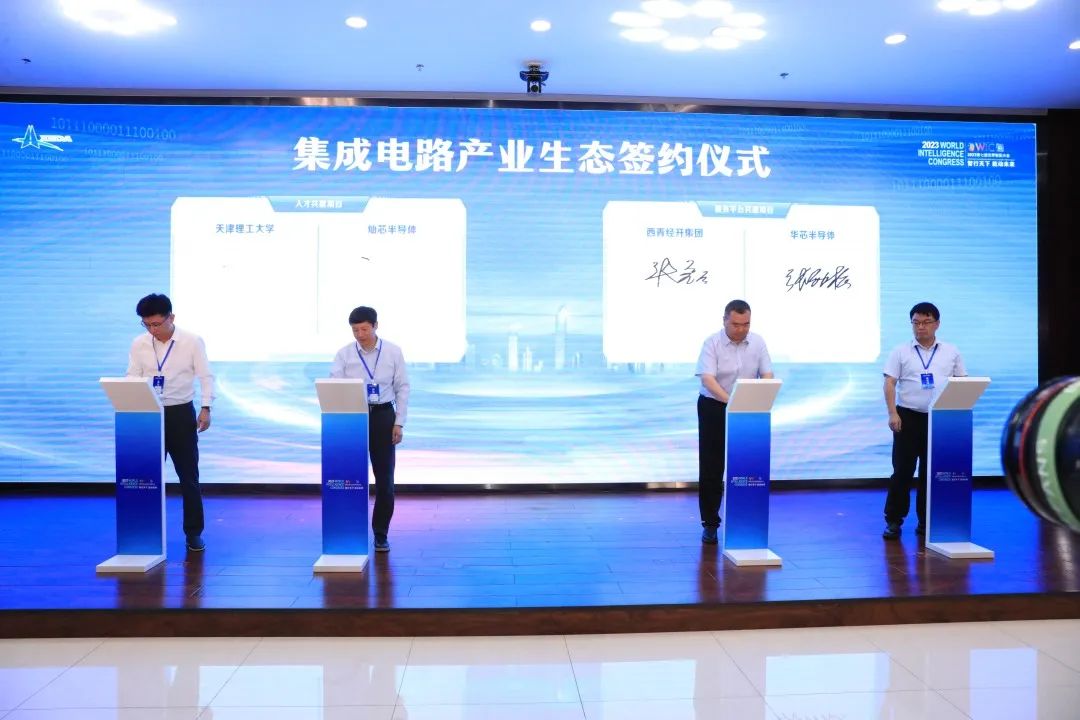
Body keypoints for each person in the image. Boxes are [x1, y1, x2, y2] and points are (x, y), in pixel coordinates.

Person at [126, 293, 215, 552]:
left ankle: (193, 533)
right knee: (145, 476)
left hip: (180, 414)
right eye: (146, 325)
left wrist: (206, 407)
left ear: (171, 317)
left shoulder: (191, 341)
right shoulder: (139, 344)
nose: (152, 330)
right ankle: (142, 532)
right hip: (148, 414)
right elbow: (132, 375)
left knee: (188, 477)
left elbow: (206, 376)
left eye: (156, 324)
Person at [882, 301, 967, 539]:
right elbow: (889, 383)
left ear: (937, 324)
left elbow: (962, 382)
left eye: (926, 322)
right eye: (916, 322)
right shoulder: (900, 351)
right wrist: (892, 413)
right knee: (902, 471)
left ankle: (926, 522)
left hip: (940, 420)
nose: (921, 327)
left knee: (931, 473)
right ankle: (894, 520)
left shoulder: (951, 351)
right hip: (907, 417)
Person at [330, 306, 410, 552]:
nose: (360, 334)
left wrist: (399, 422)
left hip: (383, 416)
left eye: (364, 329)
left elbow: (403, 388)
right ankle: (348, 532)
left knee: (385, 479)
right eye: (355, 330)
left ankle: (380, 534)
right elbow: (333, 386)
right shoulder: (344, 354)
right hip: (352, 418)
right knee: (349, 477)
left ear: (376, 326)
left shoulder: (393, 352)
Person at [695, 299, 774, 544]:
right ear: (725, 321)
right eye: (736, 324)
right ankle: (710, 523)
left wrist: (761, 394)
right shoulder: (712, 342)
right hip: (714, 406)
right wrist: (731, 402)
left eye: (746, 324)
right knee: (712, 465)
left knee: (747, 463)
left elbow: (767, 373)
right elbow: (708, 379)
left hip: (748, 409)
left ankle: (746, 520)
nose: (742, 329)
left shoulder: (758, 342)